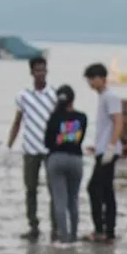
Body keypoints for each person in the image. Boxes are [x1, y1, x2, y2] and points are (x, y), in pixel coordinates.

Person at [6, 56, 59, 241]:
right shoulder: (24, 96)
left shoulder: (54, 94)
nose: (41, 73)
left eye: (43, 70)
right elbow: (17, 121)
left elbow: (61, 121)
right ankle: (33, 225)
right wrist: (9, 145)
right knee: (30, 189)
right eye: (37, 70)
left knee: (54, 189)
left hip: (50, 149)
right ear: (31, 72)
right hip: (30, 149)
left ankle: (56, 227)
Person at [83, 63, 123, 242]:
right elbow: (106, 126)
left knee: (95, 188)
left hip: (109, 151)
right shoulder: (103, 98)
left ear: (102, 78)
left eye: (93, 78)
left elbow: (118, 122)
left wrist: (111, 147)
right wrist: (97, 146)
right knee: (106, 190)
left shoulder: (110, 97)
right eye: (89, 79)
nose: (90, 83)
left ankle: (102, 229)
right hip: (103, 149)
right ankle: (108, 231)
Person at [42, 84, 87, 245]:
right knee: (73, 199)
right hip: (75, 159)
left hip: (56, 158)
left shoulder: (54, 117)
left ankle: (63, 238)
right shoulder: (82, 117)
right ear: (72, 99)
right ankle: (74, 236)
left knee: (59, 200)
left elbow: (46, 142)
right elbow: (80, 139)